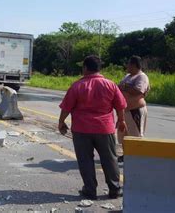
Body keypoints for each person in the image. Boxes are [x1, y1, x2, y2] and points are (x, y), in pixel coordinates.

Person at [58, 55, 127, 200]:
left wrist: (61, 122)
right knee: (110, 159)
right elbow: (120, 105)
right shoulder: (110, 85)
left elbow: (66, 107)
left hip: (82, 130)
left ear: (85, 68)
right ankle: (115, 189)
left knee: (85, 160)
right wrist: (121, 121)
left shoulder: (77, 86)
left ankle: (90, 191)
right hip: (104, 128)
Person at [117, 56, 150, 162]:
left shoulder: (141, 77)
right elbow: (119, 87)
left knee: (135, 134)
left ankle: (137, 157)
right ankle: (126, 155)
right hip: (125, 111)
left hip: (135, 110)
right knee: (123, 135)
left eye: (129, 64)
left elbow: (138, 91)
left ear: (135, 65)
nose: (127, 66)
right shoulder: (127, 76)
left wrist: (125, 87)